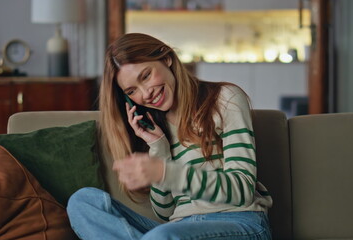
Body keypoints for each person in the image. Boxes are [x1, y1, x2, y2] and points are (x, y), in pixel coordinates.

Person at [67, 33, 273, 240]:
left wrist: (165, 172)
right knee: (83, 202)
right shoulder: (158, 127)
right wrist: (159, 148)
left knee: (162, 236)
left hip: (239, 222)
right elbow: (165, 212)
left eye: (146, 76)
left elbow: (241, 190)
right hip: (179, 227)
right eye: (132, 91)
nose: (145, 94)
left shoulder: (225, 99)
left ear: (166, 59)